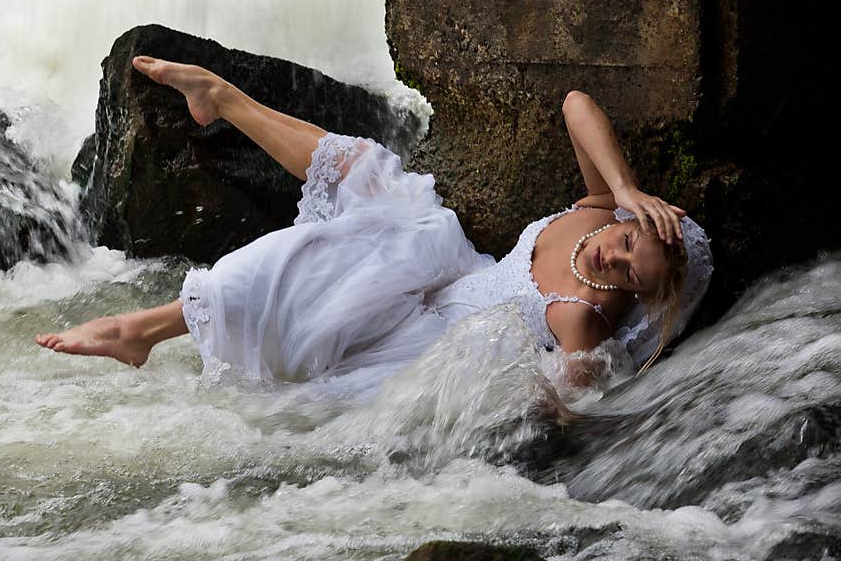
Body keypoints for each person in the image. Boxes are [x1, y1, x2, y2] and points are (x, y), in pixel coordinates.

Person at [35, 56, 713, 391]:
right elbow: (574, 102)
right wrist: (624, 186)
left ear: (630, 297)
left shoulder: (584, 316)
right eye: (627, 243)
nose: (613, 262)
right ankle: (223, 98)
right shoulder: (600, 213)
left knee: (302, 268)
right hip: (451, 264)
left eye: (628, 276)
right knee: (366, 173)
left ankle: (141, 330)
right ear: (630, 220)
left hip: (429, 335)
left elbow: (571, 395)